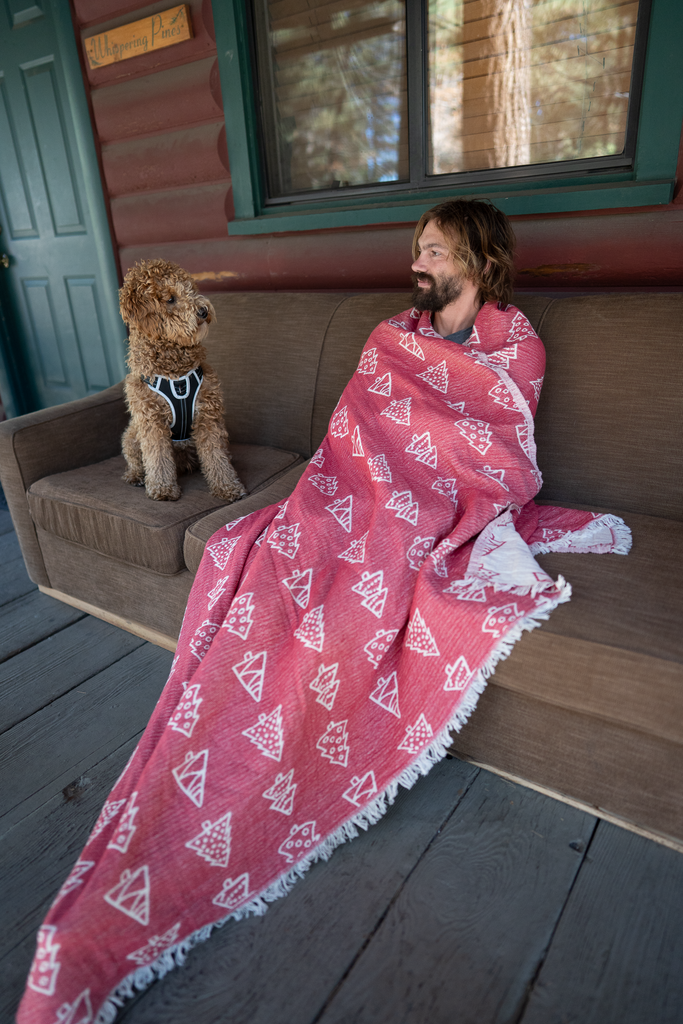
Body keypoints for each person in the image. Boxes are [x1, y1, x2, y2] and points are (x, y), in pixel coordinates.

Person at [17, 199, 630, 1024]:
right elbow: (358, 434)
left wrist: (435, 496)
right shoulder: (391, 334)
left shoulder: (515, 344)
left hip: (438, 504)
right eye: (417, 247)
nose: (419, 261)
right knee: (267, 555)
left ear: (481, 264)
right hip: (350, 495)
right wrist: (359, 491)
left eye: (437, 250)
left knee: (363, 585)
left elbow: (502, 451)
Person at [410, 198, 516, 342]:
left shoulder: (512, 346)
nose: (416, 265)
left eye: (435, 253)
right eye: (419, 250)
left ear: (481, 265)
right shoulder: (391, 337)